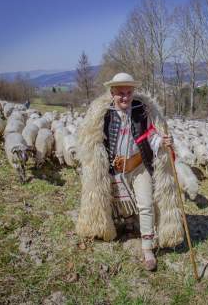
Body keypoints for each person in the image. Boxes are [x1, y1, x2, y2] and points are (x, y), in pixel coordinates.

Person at [75, 73, 183, 271]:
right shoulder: (104, 115)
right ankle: (124, 224)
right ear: (112, 93)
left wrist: (162, 142)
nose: (125, 97)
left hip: (138, 165)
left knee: (146, 203)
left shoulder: (141, 112)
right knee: (115, 201)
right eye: (120, 93)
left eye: (129, 92)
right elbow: (95, 141)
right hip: (114, 166)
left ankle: (148, 248)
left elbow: (151, 136)